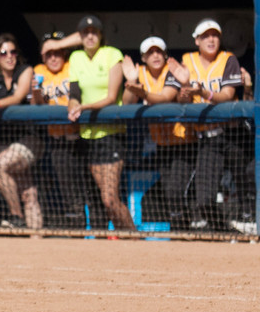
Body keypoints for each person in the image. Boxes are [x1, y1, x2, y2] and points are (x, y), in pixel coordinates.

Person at [54, 15, 135, 231]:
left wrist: (83, 107)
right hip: (87, 137)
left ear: (101, 35)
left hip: (111, 135)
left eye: (94, 32)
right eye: (85, 32)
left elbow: (111, 97)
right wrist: (73, 104)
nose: (90, 36)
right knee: (97, 200)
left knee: (109, 198)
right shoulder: (77, 58)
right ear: (79, 37)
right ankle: (114, 242)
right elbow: (74, 92)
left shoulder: (112, 54)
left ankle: (134, 237)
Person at [169, 18, 245, 231]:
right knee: (201, 199)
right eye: (205, 36)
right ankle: (224, 231)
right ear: (196, 40)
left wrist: (202, 92)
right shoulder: (186, 60)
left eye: (215, 35)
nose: (211, 39)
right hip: (203, 138)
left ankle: (249, 224)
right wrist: (184, 88)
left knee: (247, 180)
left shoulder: (228, 59)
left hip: (231, 135)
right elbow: (180, 101)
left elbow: (228, 95)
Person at [120, 36, 193, 229]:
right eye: (150, 52)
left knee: (177, 191)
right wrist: (132, 81)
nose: (155, 55)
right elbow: (126, 103)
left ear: (165, 54)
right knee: (171, 192)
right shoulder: (141, 73)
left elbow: (166, 98)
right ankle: (180, 232)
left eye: (159, 51)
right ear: (143, 57)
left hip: (184, 143)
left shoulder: (172, 70)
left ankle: (186, 231)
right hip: (162, 145)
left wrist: (142, 93)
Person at [0, 33, 42, 229]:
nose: (9, 56)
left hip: (29, 140)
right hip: (6, 141)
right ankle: (36, 239)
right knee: (28, 192)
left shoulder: (25, 70)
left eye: (13, 52)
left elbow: (18, 95)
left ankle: (16, 216)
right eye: (4, 53)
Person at [31, 31, 91, 228]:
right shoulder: (38, 70)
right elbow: (35, 106)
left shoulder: (73, 65)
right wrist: (36, 93)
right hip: (58, 141)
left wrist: (56, 43)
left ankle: (98, 228)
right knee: (69, 190)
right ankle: (78, 231)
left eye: (57, 52)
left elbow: (86, 38)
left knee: (91, 187)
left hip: (83, 137)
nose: (54, 57)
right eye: (49, 53)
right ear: (42, 56)